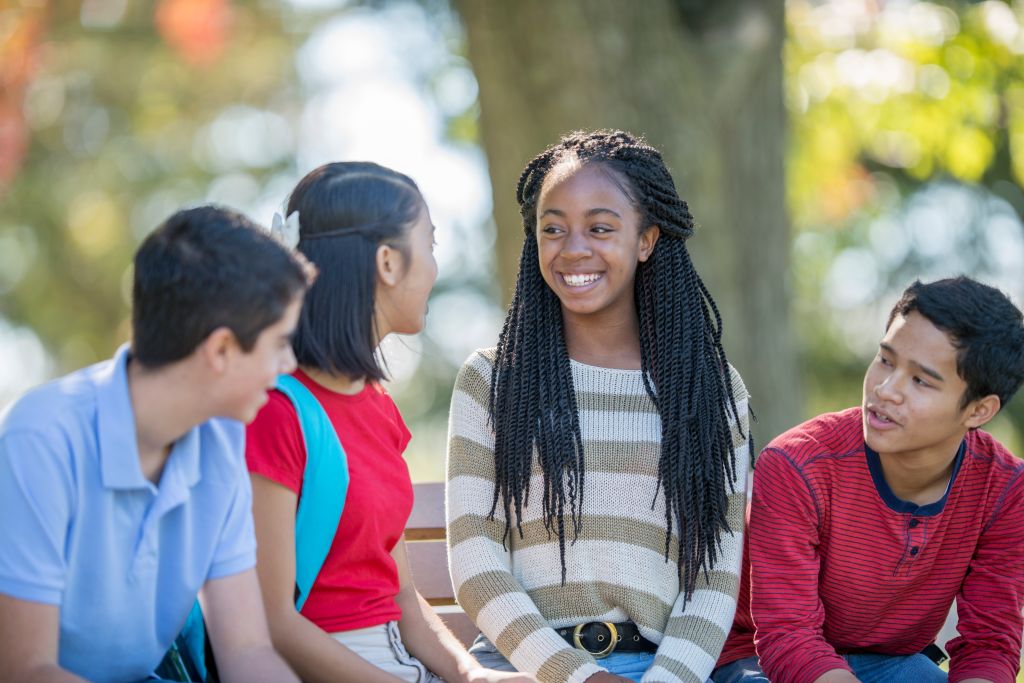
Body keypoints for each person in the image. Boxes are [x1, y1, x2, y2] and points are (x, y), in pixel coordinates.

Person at [445, 130, 753, 683]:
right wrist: (577, 676)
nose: (574, 248)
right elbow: (476, 564)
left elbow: (711, 579)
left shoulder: (710, 392)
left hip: (664, 669)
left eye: (600, 228)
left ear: (647, 239)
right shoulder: (492, 381)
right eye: (553, 228)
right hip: (524, 667)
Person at [245, 161, 536, 683]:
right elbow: (273, 621)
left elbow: (400, 594)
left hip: (401, 662)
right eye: (429, 244)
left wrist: (472, 675)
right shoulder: (273, 411)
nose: (434, 267)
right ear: (387, 262)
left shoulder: (377, 407)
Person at [0, 206, 308, 682]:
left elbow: (247, 651)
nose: (289, 362)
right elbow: (26, 670)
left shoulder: (222, 444)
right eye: (279, 342)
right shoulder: (40, 439)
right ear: (221, 349)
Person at [713, 276, 1024, 683]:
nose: (886, 389)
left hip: (890, 660)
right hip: (756, 657)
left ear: (979, 411)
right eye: (886, 360)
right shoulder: (797, 464)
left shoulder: (1003, 489)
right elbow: (788, 637)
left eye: (920, 381)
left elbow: (990, 643)